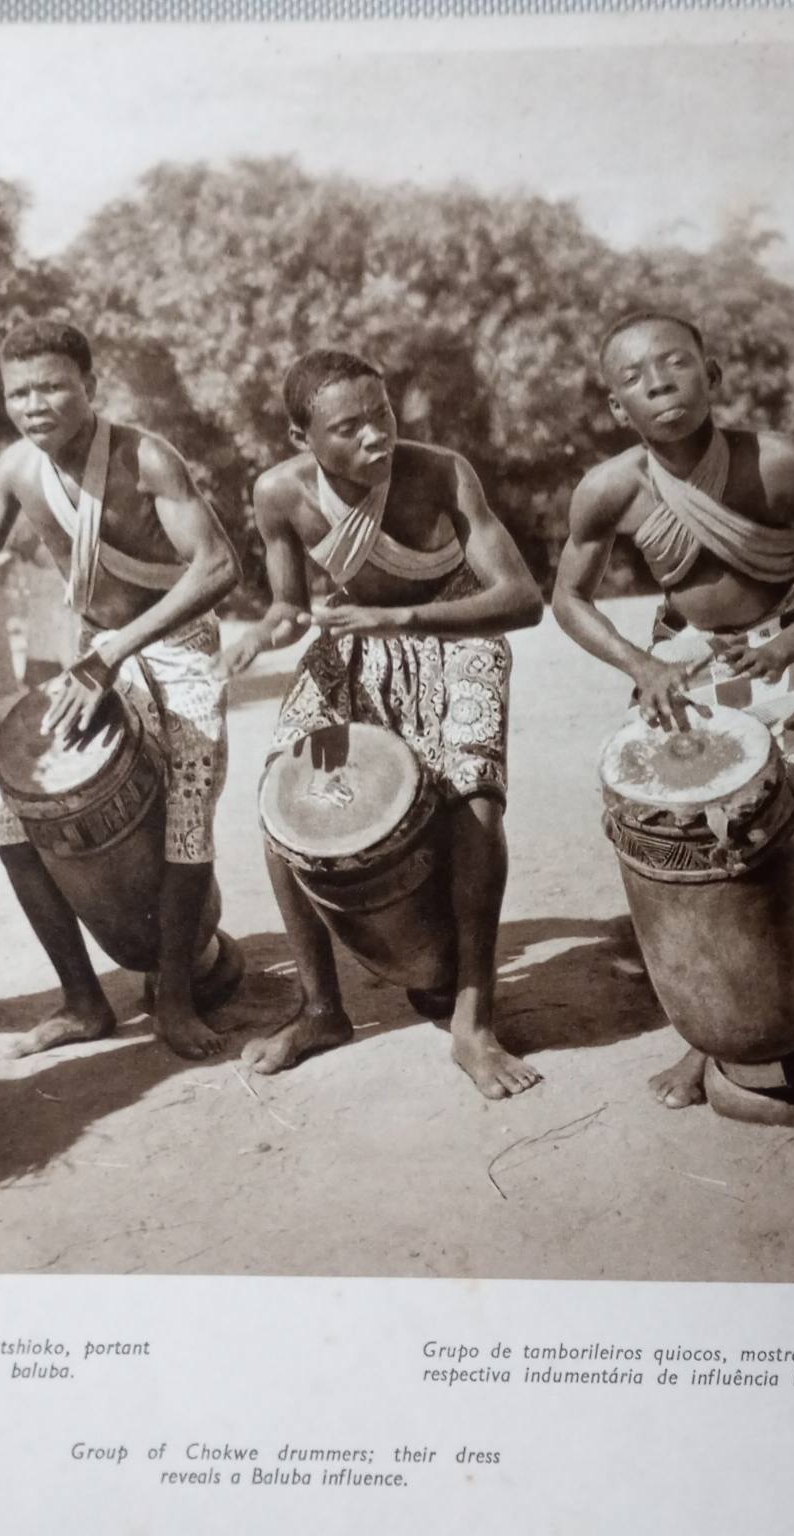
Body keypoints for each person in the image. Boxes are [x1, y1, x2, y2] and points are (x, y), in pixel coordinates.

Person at [551, 311, 794, 1158]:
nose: (661, 383)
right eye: (638, 377)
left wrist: (787, 646)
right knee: (690, 846)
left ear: (711, 371)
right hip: (684, 667)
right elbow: (567, 597)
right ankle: (715, 1033)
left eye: (676, 363)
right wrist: (641, 665)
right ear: (618, 408)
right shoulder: (611, 488)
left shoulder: (779, 463)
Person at [219, 348, 545, 1100]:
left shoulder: (442, 473)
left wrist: (404, 613)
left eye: (383, 415)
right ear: (303, 438)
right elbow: (290, 607)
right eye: (348, 428)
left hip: (458, 642)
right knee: (285, 799)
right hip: (355, 654)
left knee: (475, 806)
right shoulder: (278, 494)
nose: (375, 437)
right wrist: (263, 633)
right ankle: (322, 1008)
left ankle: (474, 1017)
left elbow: (522, 598)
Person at [0, 320, 242, 1061]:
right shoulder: (16, 468)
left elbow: (217, 568)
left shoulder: (147, 458)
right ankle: (83, 1000)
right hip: (96, 657)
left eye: (51, 386)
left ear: (91, 387)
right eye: (20, 392)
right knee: (16, 831)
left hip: (175, 653)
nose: (35, 404)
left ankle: (173, 998)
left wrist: (115, 649)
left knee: (184, 815)